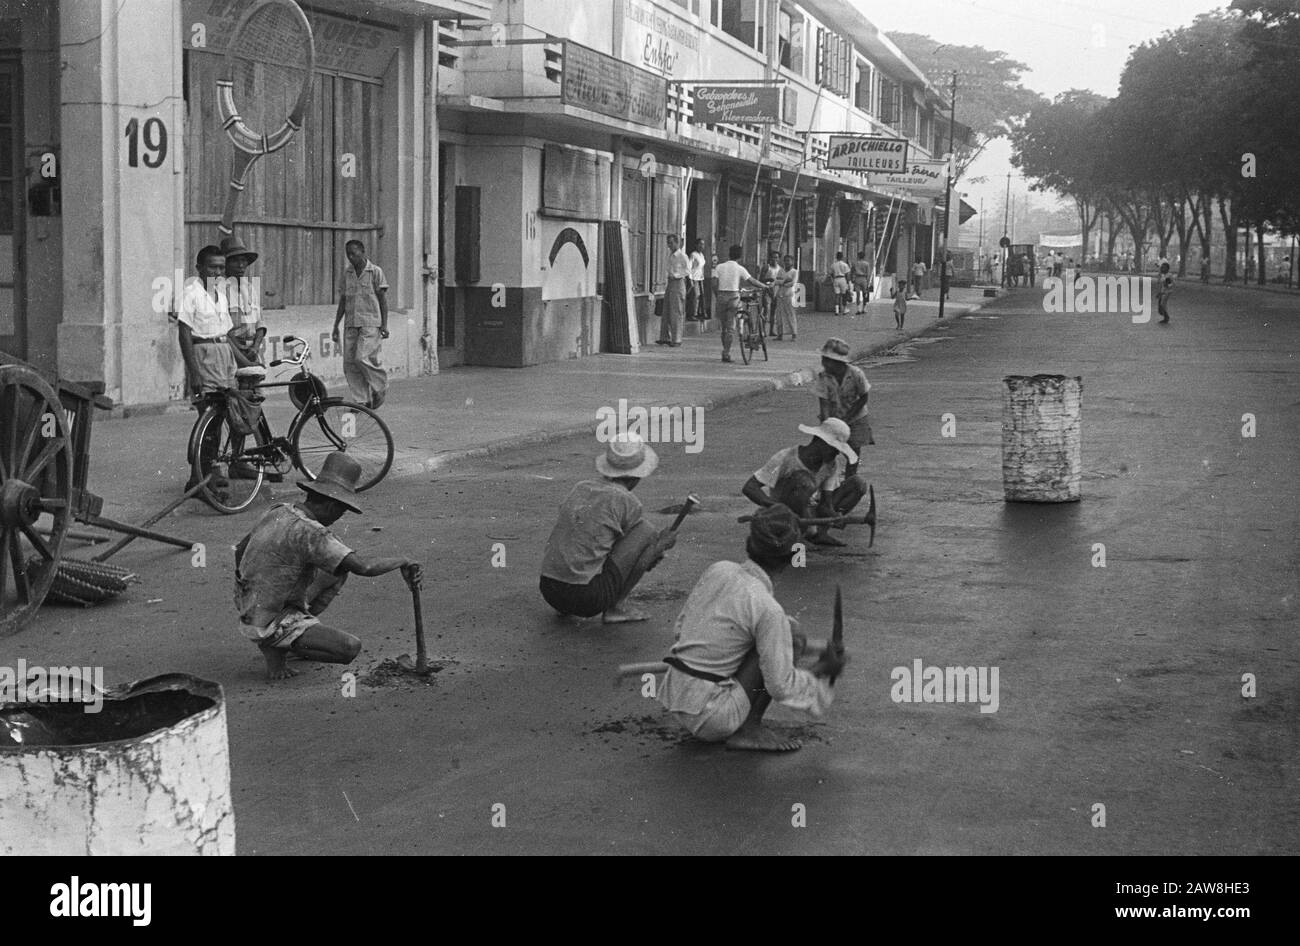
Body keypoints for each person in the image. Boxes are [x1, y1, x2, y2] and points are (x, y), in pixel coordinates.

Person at [657, 504, 847, 752]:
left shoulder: (719, 570)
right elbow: (780, 687)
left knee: (788, 632)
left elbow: (681, 629)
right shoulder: (767, 608)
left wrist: (820, 648)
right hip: (712, 718)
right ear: (791, 557)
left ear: (750, 543)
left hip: (677, 697)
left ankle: (736, 716)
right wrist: (821, 672)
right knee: (780, 636)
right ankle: (749, 730)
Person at [234, 452, 422, 681]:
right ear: (332, 505)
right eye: (341, 511)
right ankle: (279, 642)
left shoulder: (279, 510)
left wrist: (251, 585)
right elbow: (364, 567)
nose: (339, 517)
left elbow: (242, 549)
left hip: (249, 602)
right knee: (349, 648)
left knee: (336, 569)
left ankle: (286, 635)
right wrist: (403, 560)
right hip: (269, 617)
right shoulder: (313, 532)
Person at [539, 433, 678, 624]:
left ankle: (565, 607)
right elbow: (640, 558)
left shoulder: (581, 487)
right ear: (637, 475)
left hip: (550, 590)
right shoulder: (627, 501)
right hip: (586, 597)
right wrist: (660, 545)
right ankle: (616, 607)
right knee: (646, 531)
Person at [742, 418, 870, 549]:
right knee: (803, 480)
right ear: (820, 441)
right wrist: (777, 507)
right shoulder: (786, 457)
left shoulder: (831, 465)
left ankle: (818, 534)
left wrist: (835, 516)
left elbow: (825, 505)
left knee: (857, 484)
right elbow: (750, 487)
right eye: (834, 448)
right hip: (784, 515)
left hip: (809, 511)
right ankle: (795, 536)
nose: (837, 452)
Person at [177, 245, 251, 398]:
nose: (217, 272)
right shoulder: (190, 294)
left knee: (232, 407)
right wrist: (194, 373)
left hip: (225, 356)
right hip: (204, 355)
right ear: (199, 268)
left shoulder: (221, 296)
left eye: (221, 268)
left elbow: (226, 336)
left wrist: (246, 363)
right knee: (210, 406)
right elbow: (184, 334)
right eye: (213, 267)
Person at [332, 239, 389, 410]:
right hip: (351, 323)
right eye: (348, 254)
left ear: (363, 252)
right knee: (349, 363)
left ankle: (380, 386)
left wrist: (385, 325)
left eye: (354, 254)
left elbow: (382, 300)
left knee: (361, 358)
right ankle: (362, 401)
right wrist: (335, 325)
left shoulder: (375, 272)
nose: (351, 257)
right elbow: (343, 300)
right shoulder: (347, 273)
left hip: (370, 323)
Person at [813, 338, 872, 475]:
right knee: (826, 452)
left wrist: (846, 419)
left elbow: (864, 397)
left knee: (853, 452)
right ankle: (826, 484)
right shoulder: (824, 377)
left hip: (856, 417)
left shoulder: (856, 374)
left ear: (838, 362)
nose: (824, 363)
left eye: (827, 360)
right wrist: (827, 425)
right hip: (834, 417)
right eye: (824, 359)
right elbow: (824, 403)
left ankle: (850, 480)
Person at [712, 244, 768, 363]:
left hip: (721, 296)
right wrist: (764, 286)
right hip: (733, 297)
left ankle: (725, 350)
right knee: (731, 328)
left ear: (729, 254)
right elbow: (752, 281)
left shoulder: (719, 267)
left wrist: (718, 295)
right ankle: (726, 353)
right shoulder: (739, 268)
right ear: (740, 256)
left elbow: (713, 283)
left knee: (724, 327)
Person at [220, 235, 264, 365]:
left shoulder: (250, 288)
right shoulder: (219, 290)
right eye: (235, 261)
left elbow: (260, 323)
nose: (241, 265)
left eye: (244, 260)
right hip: (231, 352)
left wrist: (255, 347)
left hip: (252, 351)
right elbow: (223, 330)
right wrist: (241, 352)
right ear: (225, 264)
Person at [657, 235, 690, 347]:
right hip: (670, 283)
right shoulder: (670, 255)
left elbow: (687, 271)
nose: (669, 245)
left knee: (676, 311)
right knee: (666, 310)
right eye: (668, 243)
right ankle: (665, 336)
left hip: (678, 282)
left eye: (671, 243)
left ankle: (676, 339)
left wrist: (676, 275)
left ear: (677, 243)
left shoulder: (682, 256)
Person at [772, 254, 798, 341]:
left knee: (790, 314)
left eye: (788, 260)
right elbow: (776, 281)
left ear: (792, 262)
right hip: (780, 295)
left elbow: (792, 283)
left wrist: (782, 282)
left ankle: (794, 334)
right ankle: (780, 334)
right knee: (779, 315)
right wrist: (784, 282)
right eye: (785, 260)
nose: (787, 262)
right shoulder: (781, 271)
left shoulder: (795, 271)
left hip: (789, 295)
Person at [687, 238, 707, 321]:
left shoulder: (702, 255)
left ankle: (700, 312)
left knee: (701, 296)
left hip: (700, 278)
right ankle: (692, 314)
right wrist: (690, 279)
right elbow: (689, 267)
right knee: (695, 295)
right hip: (694, 278)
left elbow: (701, 267)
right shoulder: (693, 255)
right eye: (700, 244)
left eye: (703, 244)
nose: (702, 246)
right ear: (696, 245)